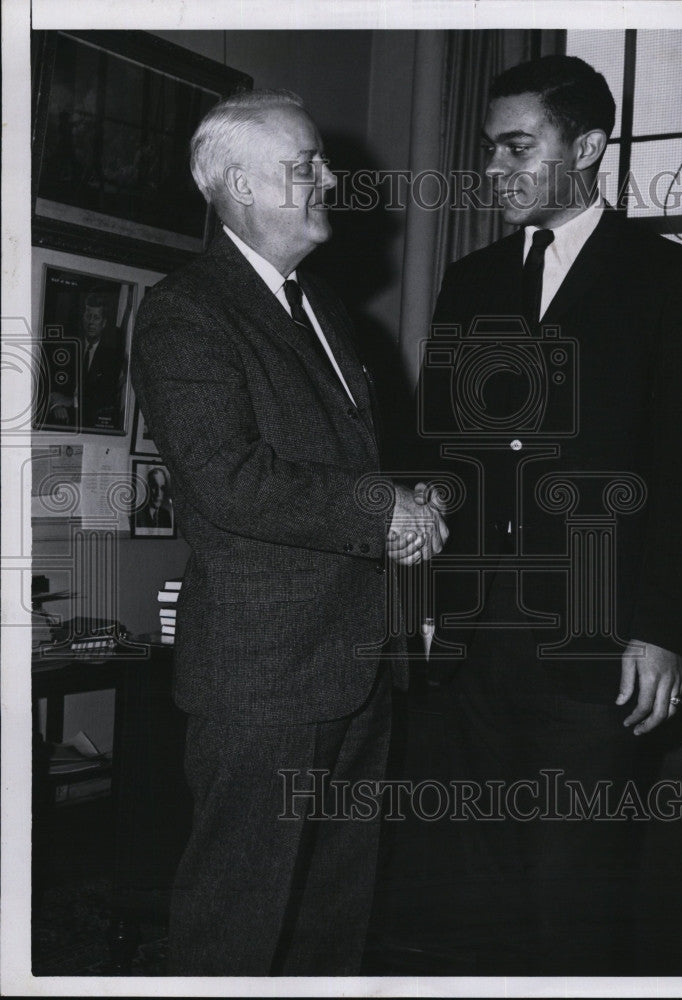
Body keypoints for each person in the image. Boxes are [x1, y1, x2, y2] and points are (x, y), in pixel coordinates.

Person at [131, 89, 447, 976]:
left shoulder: (321, 309)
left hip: (353, 660)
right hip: (262, 679)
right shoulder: (187, 311)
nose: (330, 178)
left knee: (330, 919)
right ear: (238, 184)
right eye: (305, 164)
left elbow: (336, 464)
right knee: (238, 921)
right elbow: (229, 480)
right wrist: (383, 510)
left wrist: (407, 499)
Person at [420, 55, 682, 974]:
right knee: (478, 898)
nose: (495, 170)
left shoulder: (669, 282)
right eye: (488, 151)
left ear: (588, 146)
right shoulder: (471, 282)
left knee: (573, 902)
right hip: (475, 651)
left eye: (519, 146)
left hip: (598, 653)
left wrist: (663, 629)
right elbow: (449, 461)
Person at [46, 291, 124, 430]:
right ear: (83, 317)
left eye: (96, 317)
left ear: (104, 323)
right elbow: (52, 384)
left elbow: (103, 400)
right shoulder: (68, 348)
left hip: (92, 424)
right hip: (62, 418)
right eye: (88, 316)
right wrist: (56, 405)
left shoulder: (111, 358)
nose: (91, 322)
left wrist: (71, 401)